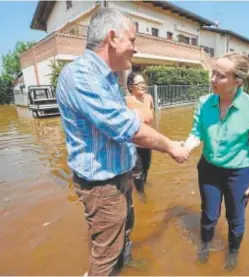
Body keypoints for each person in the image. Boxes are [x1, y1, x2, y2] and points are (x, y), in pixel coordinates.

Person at [56, 8, 189, 276]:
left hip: (119, 175)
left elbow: (117, 120)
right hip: (102, 185)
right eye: (133, 39)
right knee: (105, 256)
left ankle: (125, 265)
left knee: (125, 229)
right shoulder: (82, 75)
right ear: (112, 37)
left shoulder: (108, 78)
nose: (135, 48)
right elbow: (127, 127)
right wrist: (172, 146)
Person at [182, 52, 249, 270]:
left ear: (237, 81)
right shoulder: (204, 102)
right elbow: (196, 133)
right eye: (213, 73)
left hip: (239, 173)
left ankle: (233, 254)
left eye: (220, 76)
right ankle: (205, 246)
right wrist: (184, 148)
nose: (212, 80)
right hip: (209, 169)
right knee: (209, 214)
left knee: (236, 218)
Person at [126, 72, 153, 201]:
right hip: (133, 142)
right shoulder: (127, 101)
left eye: (143, 82)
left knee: (146, 166)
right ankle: (141, 194)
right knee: (137, 171)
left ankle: (143, 183)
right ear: (131, 86)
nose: (143, 85)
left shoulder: (149, 98)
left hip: (147, 141)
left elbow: (150, 115)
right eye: (139, 83)